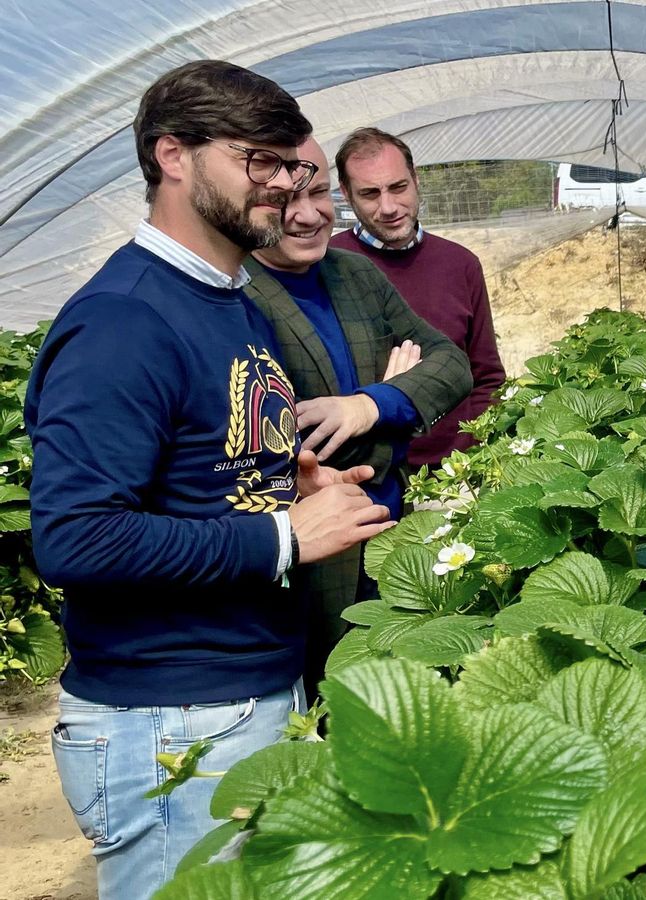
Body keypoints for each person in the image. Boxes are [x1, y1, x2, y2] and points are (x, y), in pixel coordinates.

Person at [25, 61, 394, 899]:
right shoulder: (124, 319)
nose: (283, 185)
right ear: (173, 156)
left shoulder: (228, 300)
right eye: (256, 160)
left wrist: (286, 486)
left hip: (240, 698)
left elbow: (200, 472)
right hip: (170, 723)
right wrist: (282, 536)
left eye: (290, 164)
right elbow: (77, 538)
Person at [245, 137, 472, 694]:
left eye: (319, 193)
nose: (307, 215)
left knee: (403, 693)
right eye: (285, 201)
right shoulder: (240, 293)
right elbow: (292, 446)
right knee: (325, 699)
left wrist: (372, 404)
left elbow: (452, 363)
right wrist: (399, 412)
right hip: (311, 551)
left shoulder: (354, 275)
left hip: (392, 530)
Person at [328, 127, 505, 469]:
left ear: (416, 179)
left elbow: (487, 376)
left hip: (456, 473)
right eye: (369, 193)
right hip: (367, 474)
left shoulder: (460, 264)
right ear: (346, 195)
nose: (388, 207)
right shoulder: (327, 265)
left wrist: (473, 451)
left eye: (398, 187)